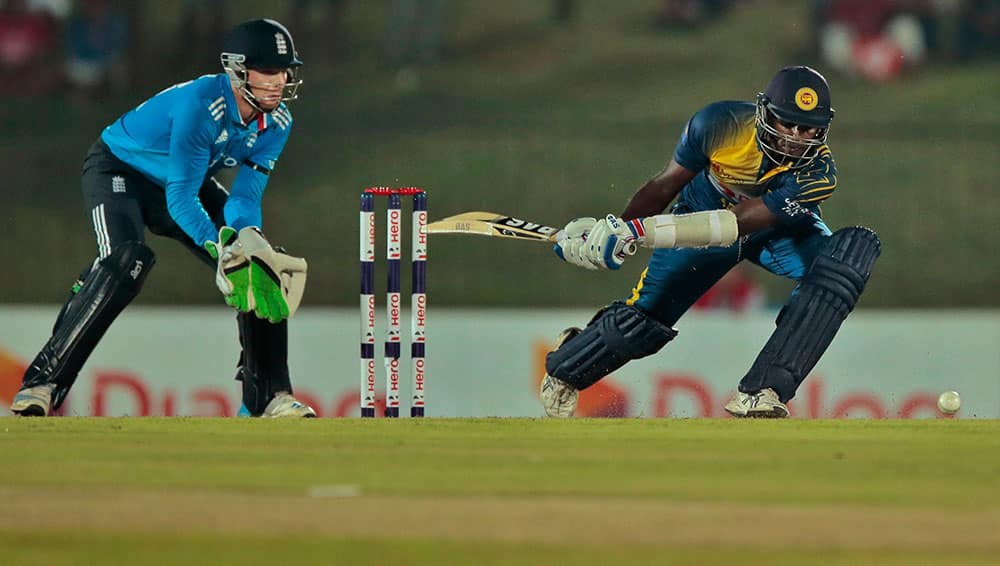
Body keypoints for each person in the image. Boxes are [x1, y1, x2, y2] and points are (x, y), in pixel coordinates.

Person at [10, 18, 315, 418]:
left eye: (284, 71)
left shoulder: (276, 123)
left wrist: (247, 240)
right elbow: (181, 200)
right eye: (269, 71)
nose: (279, 81)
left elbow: (244, 199)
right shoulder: (202, 105)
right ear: (239, 70)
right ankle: (42, 385)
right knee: (125, 262)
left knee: (260, 267)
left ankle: (269, 397)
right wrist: (221, 249)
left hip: (184, 176)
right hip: (121, 169)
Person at [543, 66, 881, 419]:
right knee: (642, 324)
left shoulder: (820, 174)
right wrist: (614, 231)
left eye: (807, 128)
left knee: (849, 256)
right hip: (700, 210)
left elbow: (737, 224)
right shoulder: (720, 124)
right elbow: (664, 186)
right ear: (765, 113)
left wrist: (639, 232)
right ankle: (568, 364)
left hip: (774, 228)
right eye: (786, 123)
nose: (795, 137)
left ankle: (763, 389)